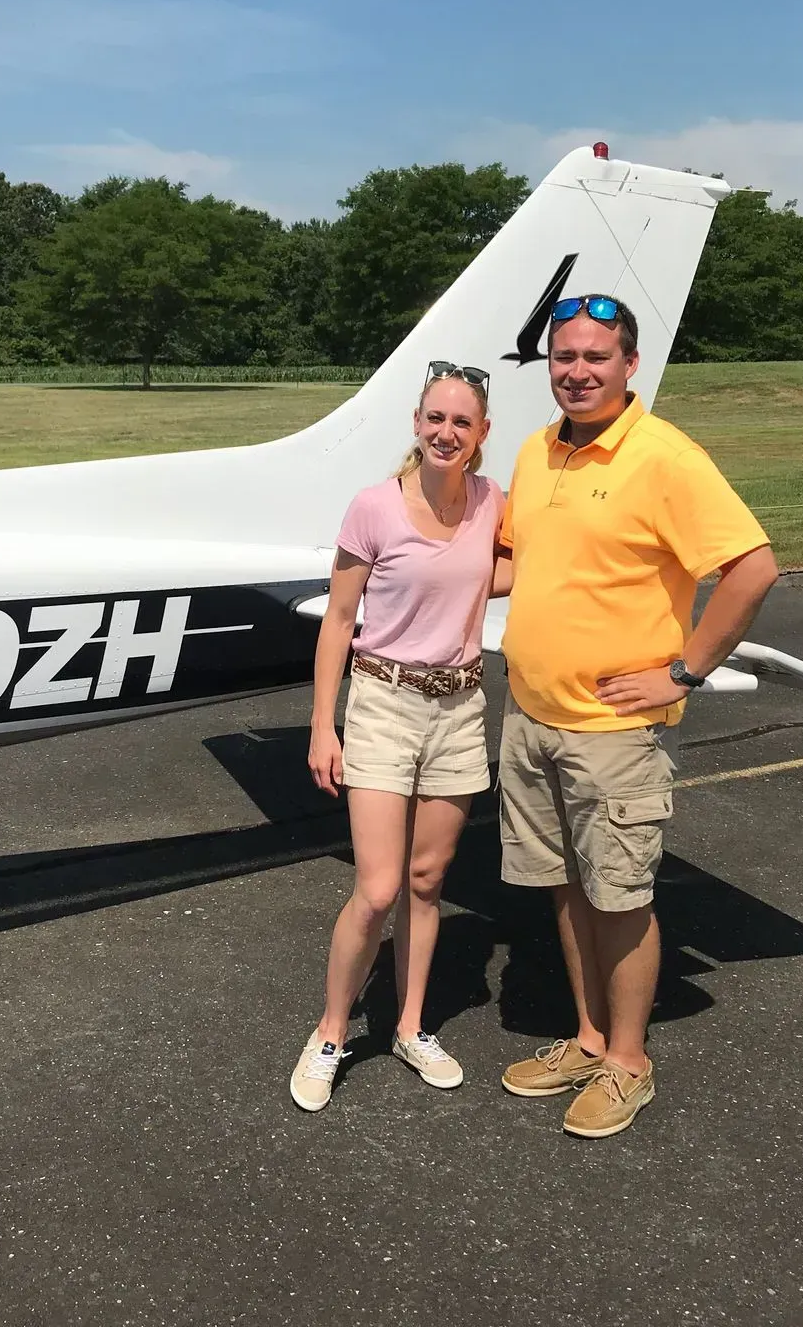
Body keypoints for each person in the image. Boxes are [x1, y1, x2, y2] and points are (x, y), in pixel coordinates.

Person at [495, 295, 778, 1139]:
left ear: (630, 366)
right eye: (563, 356)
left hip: (612, 728)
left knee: (618, 896)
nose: (577, 371)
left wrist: (685, 669)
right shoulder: (536, 450)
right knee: (565, 888)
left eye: (595, 357)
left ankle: (628, 1063)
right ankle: (586, 1038)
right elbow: (516, 563)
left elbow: (752, 567)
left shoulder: (664, 457)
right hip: (532, 712)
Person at [291, 363, 506, 1112]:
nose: (447, 432)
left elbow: (501, 567)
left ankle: (412, 1027)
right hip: (383, 701)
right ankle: (329, 1031)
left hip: (460, 709)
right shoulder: (375, 508)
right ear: (418, 423)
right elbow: (339, 620)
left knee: (426, 882)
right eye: (435, 418)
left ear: (483, 435)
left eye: (462, 422)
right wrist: (325, 725)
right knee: (378, 886)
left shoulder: (492, 506)